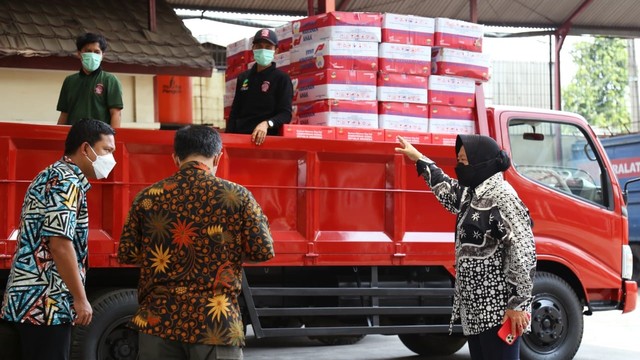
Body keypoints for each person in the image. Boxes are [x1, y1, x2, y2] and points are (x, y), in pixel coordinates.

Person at [118, 125, 275, 360]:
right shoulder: (237, 196)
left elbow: (128, 254)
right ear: (218, 156)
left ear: (175, 158)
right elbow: (263, 250)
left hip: (159, 321)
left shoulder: (147, 198)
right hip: (215, 323)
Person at [395, 134, 536, 360]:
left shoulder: (503, 197)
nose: (459, 167)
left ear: (482, 162)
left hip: (498, 312)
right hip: (474, 312)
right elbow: (447, 189)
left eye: (463, 161)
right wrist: (419, 159)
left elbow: (523, 252)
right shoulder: (472, 194)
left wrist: (518, 304)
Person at [1, 119, 117, 360]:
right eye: (107, 150)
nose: (111, 159)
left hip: (30, 300)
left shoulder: (51, 174)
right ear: (86, 149)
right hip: (46, 304)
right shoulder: (67, 182)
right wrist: (80, 298)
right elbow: (60, 244)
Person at [226, 28, 293, 145]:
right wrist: (228, 138)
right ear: (253, 49)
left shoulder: (282, 79)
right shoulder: (243, 78)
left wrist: (267, 124)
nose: (263, 50)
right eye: (259, 46)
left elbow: (285, 114)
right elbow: (235, 111)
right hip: (241, 139)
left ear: (276, 51)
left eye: (268, 47)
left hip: (267, 140)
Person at [56, 32, 124, 127]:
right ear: (79, 54)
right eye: (88, 51)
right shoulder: (69, 81)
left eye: (97, 52)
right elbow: (64, 114)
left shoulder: (110, 80)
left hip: (100, 138)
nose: (92, 55)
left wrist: (113, 140)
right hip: (74, 137)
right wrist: (60, 137)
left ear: (102, 55)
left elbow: (116, 114)